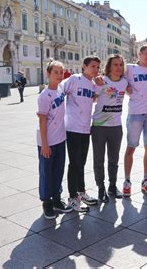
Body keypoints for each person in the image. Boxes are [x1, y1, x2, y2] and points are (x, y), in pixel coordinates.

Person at [62, 55, 102, 211]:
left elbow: (93, 100)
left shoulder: (93, 84)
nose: (96, 69)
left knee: (82, 163)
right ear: (84, 66)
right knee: (74, 164)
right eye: (93, 66)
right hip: (72, 128)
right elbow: (60, 91)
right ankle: (73, 197)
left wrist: (98, 86)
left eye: (98, 67)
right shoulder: (74, 79)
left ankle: (81, 192)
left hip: (86, 129)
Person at [36, 60, 72, 219]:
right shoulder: (44, 96)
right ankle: (47, 202)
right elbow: (42, 121)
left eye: (61, 72)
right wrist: (44, 144)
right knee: (46, 173)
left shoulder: (60, 90)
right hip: (47, 141)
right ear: (48, 74)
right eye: (55, 72)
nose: (59, 75)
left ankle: (57, 199)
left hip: (60, 139)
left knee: (58, 171)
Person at [91, 55, 127, 202]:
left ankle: (112, 186)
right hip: (99, 127)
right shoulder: (102, 81)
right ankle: (101, 188)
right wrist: (98, 86)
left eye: (120, 65)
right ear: (109, 67)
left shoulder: (125, 82)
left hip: (116, 127)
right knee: (99, 160)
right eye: (115, 65)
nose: (118, 68)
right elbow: (92, 99)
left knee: (114, 159)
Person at [123, 45, 147, 196]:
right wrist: (126, 86)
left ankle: (145, 180)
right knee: (131, 147)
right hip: (135, 114)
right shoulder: (129, 68)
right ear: (140, 54)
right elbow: (116, 76)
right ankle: (127, 181)